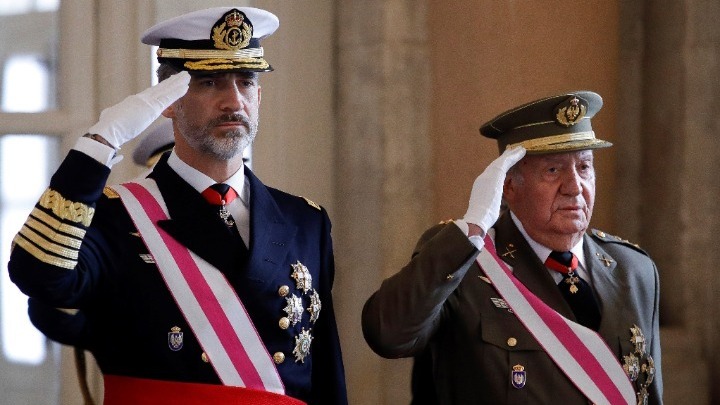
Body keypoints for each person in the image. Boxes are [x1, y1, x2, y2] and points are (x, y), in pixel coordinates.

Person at [9, 6, 347, 405]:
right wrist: (101, 141)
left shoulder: (304, 219)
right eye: (209, 83)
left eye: (246, 81)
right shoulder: (115, 216)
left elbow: (326, 374)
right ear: (167, 102)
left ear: (259, 95)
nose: (233, 101)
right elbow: (38, 276)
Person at [361, 91, 662, 404]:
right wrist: (473, 228)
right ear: (508, 185)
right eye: (553, 171)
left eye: (584, 167)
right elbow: (387, 334)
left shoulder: (634, 269)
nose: (575, 187)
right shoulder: (465, 261)